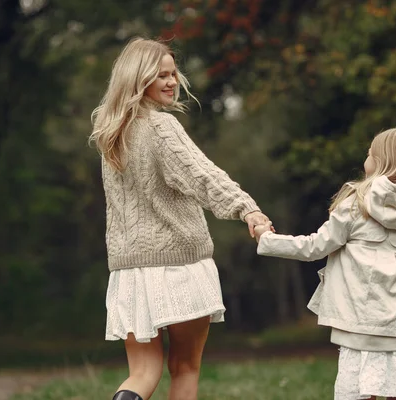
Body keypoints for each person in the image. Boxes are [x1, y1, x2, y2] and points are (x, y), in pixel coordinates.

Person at [89, 37, 270, 400]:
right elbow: (202, 176)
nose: (172, 82)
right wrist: (246, 207)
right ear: (139, 79)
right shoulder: (160, 127)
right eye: (161, 75)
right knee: (184, 368)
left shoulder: (112, 134)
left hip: (129, 272)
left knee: (141, 372)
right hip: (178, 266)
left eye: (174, 73)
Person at [253, 127, 396, 400]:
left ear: (381, 161)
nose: (366, 158)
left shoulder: (354, 205)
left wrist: (267, 239)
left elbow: (313, 247)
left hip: (358, 330)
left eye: (369, 153)